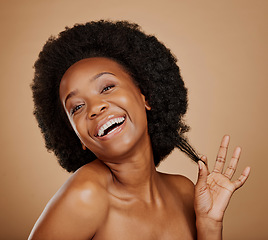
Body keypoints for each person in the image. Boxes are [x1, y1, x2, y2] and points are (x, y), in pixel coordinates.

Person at [28, 20, 250, 240]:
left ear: (146, 96)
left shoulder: (184, 192)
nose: (95, 108)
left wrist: (210, 225)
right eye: (77, 107)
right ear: (78, 138)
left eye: (107, 87)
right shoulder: (86, 194)